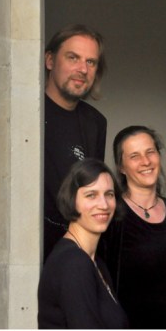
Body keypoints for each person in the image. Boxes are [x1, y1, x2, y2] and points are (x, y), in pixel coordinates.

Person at [102, 125, 166, 329]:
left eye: (150, 152)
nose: (145, 161)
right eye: (134, 156)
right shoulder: (111, 218)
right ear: (121, 167)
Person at [38, 158, 129, 329]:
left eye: (109, 194)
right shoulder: (74, 263)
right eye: (91, 195)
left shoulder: (95, 262)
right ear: (72, 200)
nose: (103, 205)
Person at [43, 24, 108, 262]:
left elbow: (91, 191)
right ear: (50, 60)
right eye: (73, 58)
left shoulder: (95, 123)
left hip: (75, 251)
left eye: (91, 62)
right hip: (27, 248)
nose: (83, 69)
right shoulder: (27, 111)